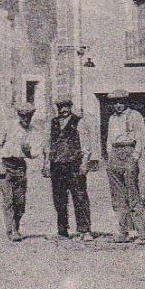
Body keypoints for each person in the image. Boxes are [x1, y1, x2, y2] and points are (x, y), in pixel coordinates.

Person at [43, 96, 94, 240]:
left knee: (80, 196)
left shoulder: (79, 122)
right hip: (57, 165)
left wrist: (84, 163)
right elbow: (47, 145)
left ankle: (85, 230)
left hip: (74, 164)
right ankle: (62, 230)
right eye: (60, 107)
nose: (63, 110)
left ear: (70, 107)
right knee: (59, 199)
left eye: (66, 106)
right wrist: (47, 163)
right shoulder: (52, 123)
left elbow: (85, 146)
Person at [103, 93, 145, 243]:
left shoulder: (135, 116)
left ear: (126, 102)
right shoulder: (112, 118)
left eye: (120, 102)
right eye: (115, 102)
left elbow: (141, 138)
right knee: (118, 196)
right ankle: (123, 231)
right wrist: (110, 156)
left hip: (129, 151)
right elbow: (109, 139)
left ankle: (141, 233)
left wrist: (135, 157)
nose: (117, 105)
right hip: (115, 153)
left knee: (132, 193)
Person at [0, 102, 41, 240]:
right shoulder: (8, 126)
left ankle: (16, 226)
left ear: (32, 116)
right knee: (8, 199)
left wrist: (28, 150)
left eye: (28, 116)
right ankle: (11, 230)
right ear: (19, 115)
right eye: (22, 116)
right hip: (5, 164)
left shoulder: (34, 131)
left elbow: (36, 152)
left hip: (20, 166)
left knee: (20, 201)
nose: (25, 119)